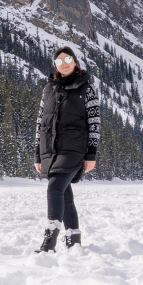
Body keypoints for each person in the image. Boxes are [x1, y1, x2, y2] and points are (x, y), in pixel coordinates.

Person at [33, 46, 100, 252]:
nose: (64, 63)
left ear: (75, 61)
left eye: (67, 59)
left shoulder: (86, 88)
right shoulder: (48, 89)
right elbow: (40, 122)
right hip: (50, 149)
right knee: (65, 194)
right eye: (59, 61)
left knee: (54, 188)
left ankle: (49, 242)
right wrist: (37, 153)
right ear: (55, 65)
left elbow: (95, 122)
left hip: (74, 148)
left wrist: (91, 153)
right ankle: (74, 241)